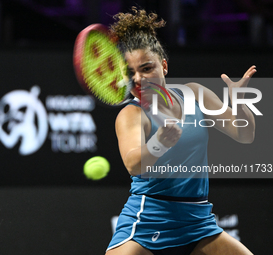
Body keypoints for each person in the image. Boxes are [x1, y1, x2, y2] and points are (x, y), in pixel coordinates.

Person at [106, 7, 256, 255]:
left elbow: (245, 135)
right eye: (130, 73)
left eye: (146, 68)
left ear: (164, 66)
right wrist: (160, 142)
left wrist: (239, 101)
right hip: (149, 219)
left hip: (198, 222)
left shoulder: (195, 94)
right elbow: (134, 164)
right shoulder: (131, 114)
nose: (139, 79)